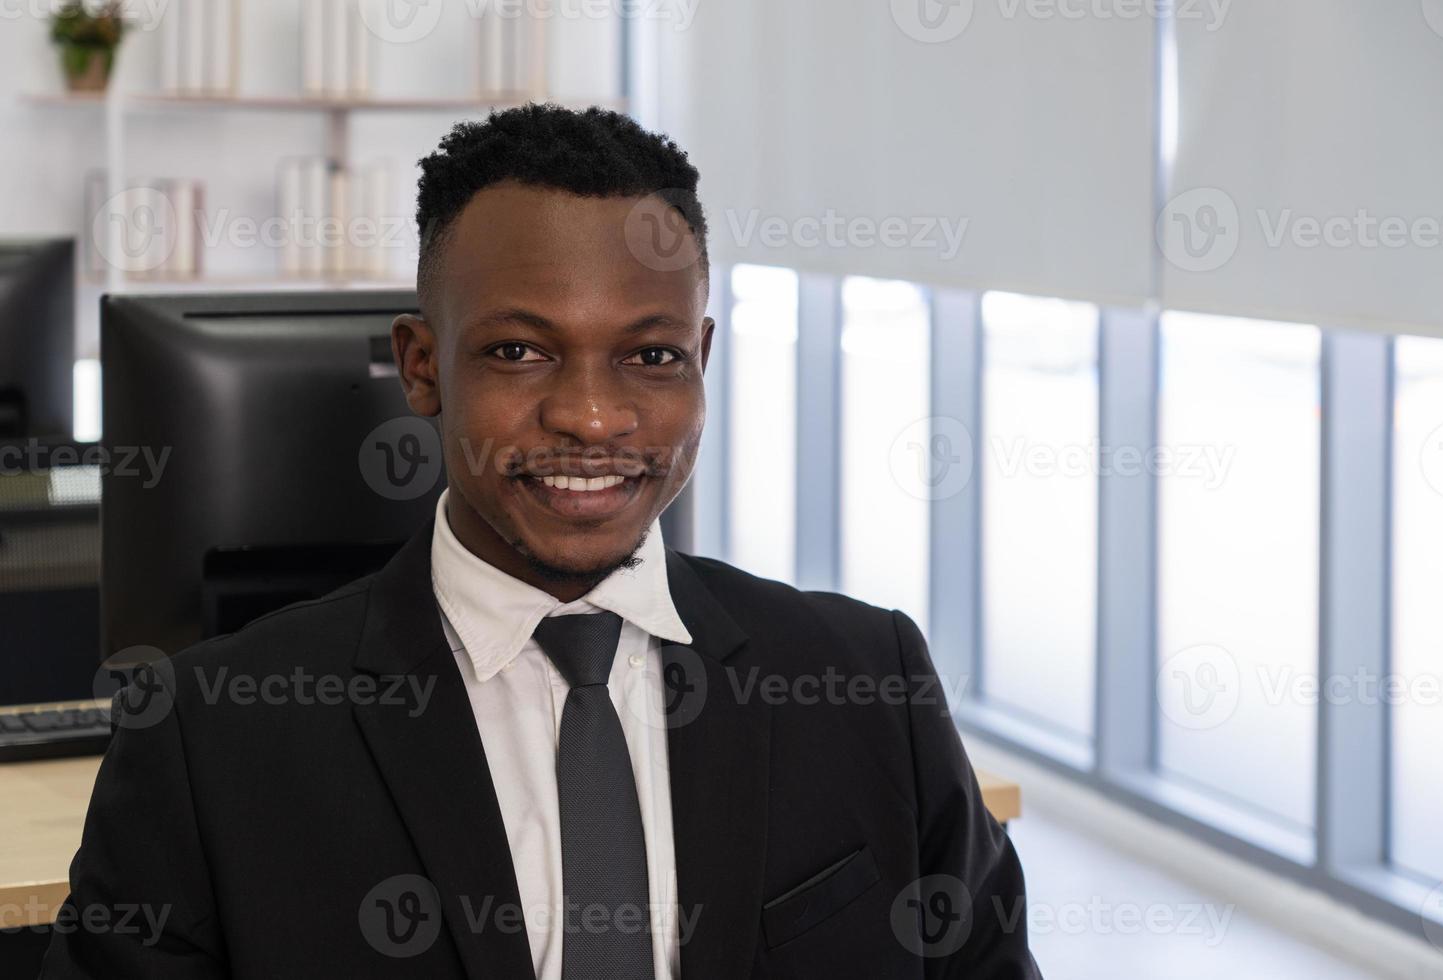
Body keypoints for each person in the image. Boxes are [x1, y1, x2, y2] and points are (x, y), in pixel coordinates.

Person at [43, 103, 1042, 979]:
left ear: (701, 358)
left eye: (650, 355)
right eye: (520, 351)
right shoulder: (211, 738)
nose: (594, 417)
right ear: (423, 366)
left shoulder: (870, 681)